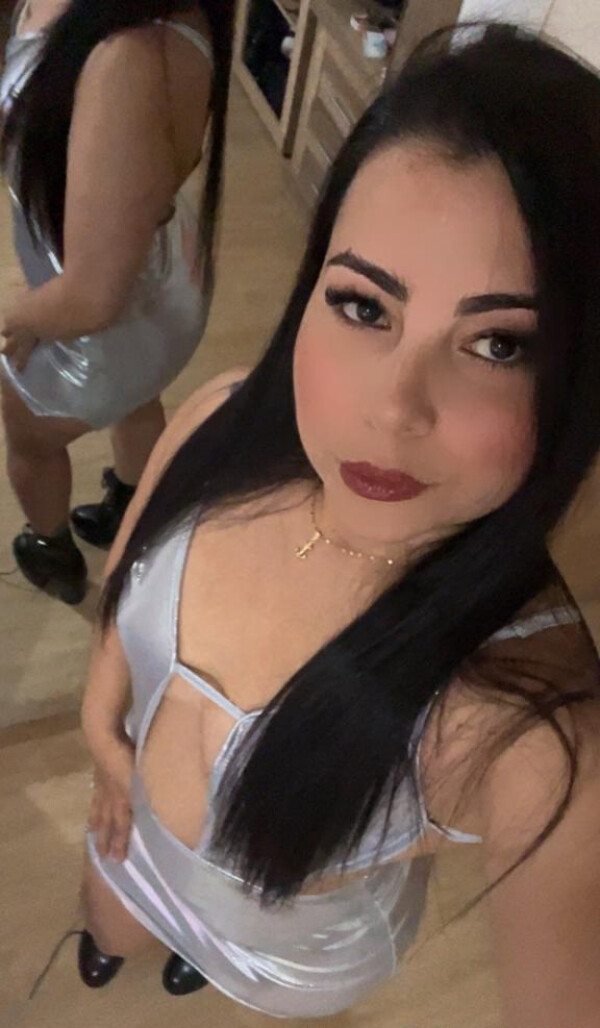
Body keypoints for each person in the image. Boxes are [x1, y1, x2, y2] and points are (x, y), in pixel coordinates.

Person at [78, 24, 600, 1024]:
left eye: (497, 343)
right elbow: (128, 579)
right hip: (126, 832)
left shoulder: (530, 727)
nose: (392, 410)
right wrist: (105, 732)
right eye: (365, 306)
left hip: (287, 952)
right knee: (106, 923)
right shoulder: (223, 416)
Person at [0, 0, 233, 604]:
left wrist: (18, 316)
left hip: (102, 314)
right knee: (137, 398)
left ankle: (50, 551)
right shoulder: (175, 17)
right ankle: (132, 506)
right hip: (159, 272)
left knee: (30, 442)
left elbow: (91, 298)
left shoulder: (127, 58)